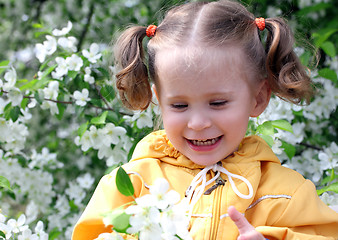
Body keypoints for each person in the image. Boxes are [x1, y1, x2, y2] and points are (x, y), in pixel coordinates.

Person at [72, 0, 338, 239]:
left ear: (257, 98)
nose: (198, 122)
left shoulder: (286, 194)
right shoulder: (132, 186)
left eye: (218, 103)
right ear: (159, 101)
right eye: (179, 105)